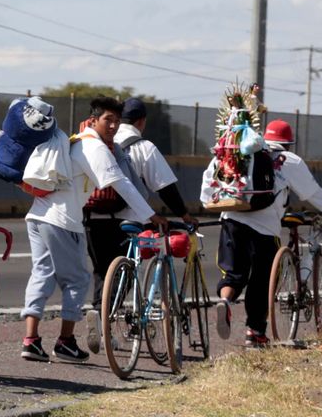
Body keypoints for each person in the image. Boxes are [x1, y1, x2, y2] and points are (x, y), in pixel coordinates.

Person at [23, 96, 164, 363]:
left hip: (37, 214)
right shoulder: (94, 148)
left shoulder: (75, 140)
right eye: (107, 120)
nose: (112, 126)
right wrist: (151, 216)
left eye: (116, 121)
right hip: (61, 220)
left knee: (42, 273)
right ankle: (65, 342)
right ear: (94, 120)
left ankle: (31, 340)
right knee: (77, 280)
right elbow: (120, 183)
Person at [200, 119, 322, 346]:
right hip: (265, 228)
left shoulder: (233, 150)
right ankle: (255, 332)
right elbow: (313, 194)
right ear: (288, 144)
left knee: (234, 275)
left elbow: (206, 193)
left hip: (231, 221)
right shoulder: (289, 161)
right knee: (262, 280)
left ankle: (225, 302)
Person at [84, 96, 196, 350]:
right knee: (125, 273)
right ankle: (107, 322)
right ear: (141, 121)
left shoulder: (95, 140)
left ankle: (98, 316)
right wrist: (184, 215)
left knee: (102, 272)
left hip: (92, 217)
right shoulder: (143, 147)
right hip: (127, 220)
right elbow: (165, 187)